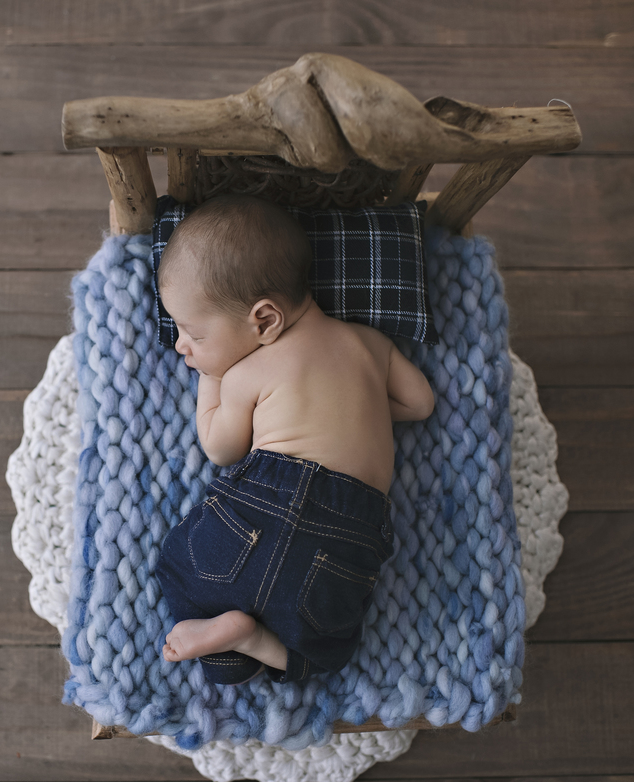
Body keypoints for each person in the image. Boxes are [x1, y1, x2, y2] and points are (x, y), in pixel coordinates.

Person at [154, 193, 436, 685]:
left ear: (264, 321)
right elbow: (420, 404)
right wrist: (364, 405)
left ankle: (232, 637)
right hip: (351, 531)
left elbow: (221, 448)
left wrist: (213, 379)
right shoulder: (370, 344)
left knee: (179, 568)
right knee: (329, 646)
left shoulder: (248, 373)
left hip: (267, 503)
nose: (182, 346)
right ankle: (254, 642)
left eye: (193, 335)